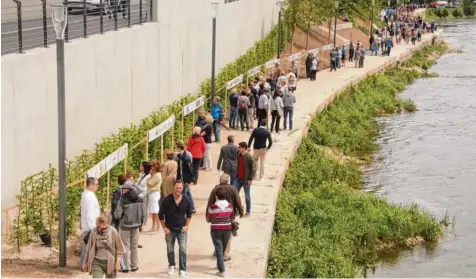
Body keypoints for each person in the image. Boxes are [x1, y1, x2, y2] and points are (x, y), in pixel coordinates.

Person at [206, 173, 243, 262]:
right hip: (229, 215)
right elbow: (238, 201)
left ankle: (217, 251)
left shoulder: (215, 189)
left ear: (220, 181)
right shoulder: (233, 189)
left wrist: (208, 216)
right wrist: (241, 211)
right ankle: (226, 254)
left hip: (216, 216)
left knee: (217, 233)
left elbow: (210, 202)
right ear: (228, 181)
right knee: (228, 235)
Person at [159, 181, 193, 278]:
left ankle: (182, 270)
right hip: (169, 229)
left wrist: (186, 226)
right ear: (173, 188)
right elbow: (160, 215)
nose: (179, 190)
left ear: (182, 189)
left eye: (180, 188)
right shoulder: (166, 200)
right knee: (170, 249)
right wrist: (164, 228)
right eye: (177, 188)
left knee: (183, 249)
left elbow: (189, 214)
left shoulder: (186, 199)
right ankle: (171, 266)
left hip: (182, 230)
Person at [114, 179, 145, 273]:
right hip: (136, 226)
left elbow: (117, 215)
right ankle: (134, 266)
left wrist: (115, 215)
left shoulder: (122, 200)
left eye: (124, 188)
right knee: (134, 246)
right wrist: (141, 224)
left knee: (125, 247)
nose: (122, 190)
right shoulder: (140, 199)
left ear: (127, 189)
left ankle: (125, 267)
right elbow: (144, 214)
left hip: (125, 227)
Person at [206, 185, 235, 277]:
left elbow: (208, 219)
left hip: (216, 230)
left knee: (218, 248)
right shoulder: (230, 206)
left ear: (216, 196)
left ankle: (222, 270)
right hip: (227, 229)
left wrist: (212, 218)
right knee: (222, 248)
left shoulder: (213, 207)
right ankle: (220, 264)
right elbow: (232, 217)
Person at [80, 177, 101, 271]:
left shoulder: (87, 194)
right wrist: (94, 228)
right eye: (96, 184)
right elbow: (89, 214)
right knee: (88, 247)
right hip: (90, 226)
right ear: (91, 185)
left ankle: (85, 265)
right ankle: (84, 266)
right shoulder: (89, 197)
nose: (98, 186)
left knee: (87, 247)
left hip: (88, 225)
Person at [235, 142, 256, 216]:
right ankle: (238, 209)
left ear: (244, 148)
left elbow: (253, 169)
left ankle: (248, 211)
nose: (239, 148)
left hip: (246, 180)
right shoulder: (239, 155)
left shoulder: (249, 157)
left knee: (247, 196)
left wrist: (250, 179)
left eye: (240, 147)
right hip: (238, 179)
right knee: (235, 194)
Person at [175, 140, 196, 214]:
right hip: (182, 179)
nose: (175, 149)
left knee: (184, 194)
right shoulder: (180, 156)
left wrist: (189, 180)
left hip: (185, 180)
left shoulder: (185, 158)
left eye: (176, 147)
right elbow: (179, 169)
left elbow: (190, 170)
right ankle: (192, 208)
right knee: (188, 193)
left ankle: (186, 209)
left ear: (179, 148)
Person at [147, 160, 162, 232]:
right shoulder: (155, 174)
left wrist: (150, 176)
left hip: (154, 193)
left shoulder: (157, 175)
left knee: (155, 211)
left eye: (152, 166)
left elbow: (149, 183)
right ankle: (153, 226)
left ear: (155, 167)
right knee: (153, 211)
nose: (151, 167)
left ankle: (158, 227)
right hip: (152, 193)